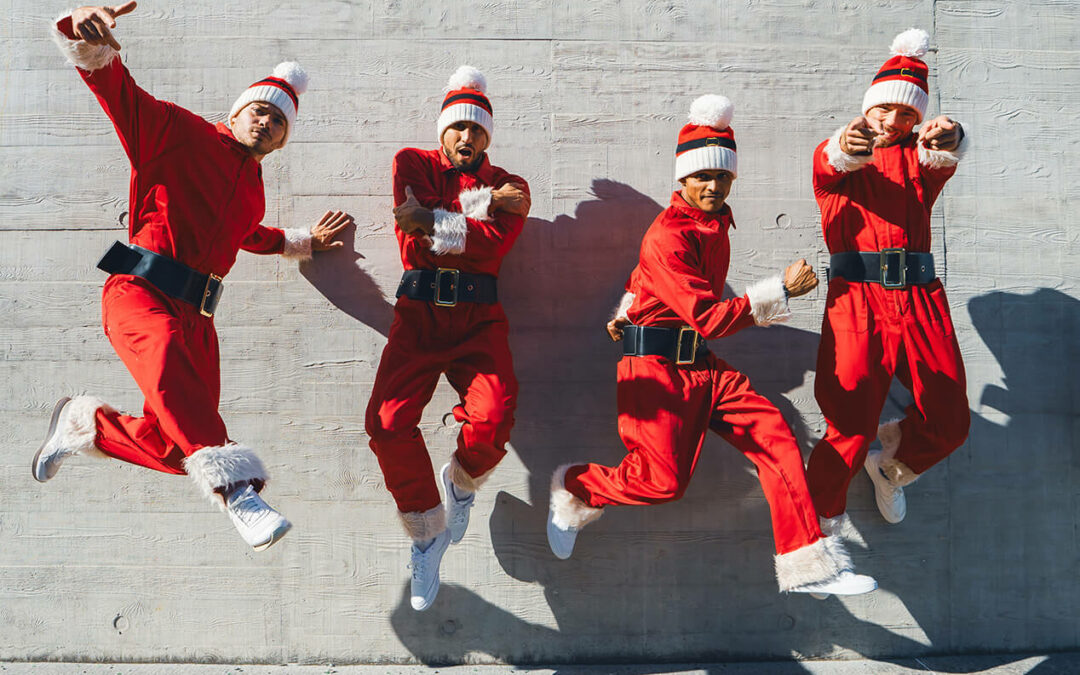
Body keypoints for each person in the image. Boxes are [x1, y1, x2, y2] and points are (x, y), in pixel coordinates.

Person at [35, 2, 352, 551]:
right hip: (140, 292)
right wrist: (85, 36)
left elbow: (248, 233)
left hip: (199, 320)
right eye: (258, 110)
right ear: (235, 114)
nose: (266, 121)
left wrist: (300, 242)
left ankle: (83, 424)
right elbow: (118, 94)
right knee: (162, 358)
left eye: (277, 121)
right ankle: (239, 493)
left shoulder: (253, 189)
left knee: (171, 444)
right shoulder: (177, 132)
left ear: (281, 141)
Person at [546, 95, 876, 597]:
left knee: (776, 437)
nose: (713, 186)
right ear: (682, 178)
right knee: (660, 484)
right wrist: (781, 291)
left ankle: (809, 565)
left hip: (701, 366)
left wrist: (627, 307)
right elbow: (706, 315)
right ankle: (576, 488)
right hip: (655, 373)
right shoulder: (669, 235)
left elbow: (649, 277)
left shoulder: (716, 223)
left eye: (722, 176)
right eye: (702, 176)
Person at [365, 66, 531, 611]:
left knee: (494, 416)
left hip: (478, 319)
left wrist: (436, 219)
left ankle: (461, 480)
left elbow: (488, 250)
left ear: (489, 136)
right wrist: (482, 204)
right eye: (458, 127)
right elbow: (412, 228)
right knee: (387, 424)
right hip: (417, 314)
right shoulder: (411, 163)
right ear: (443, 131)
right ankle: (427, 531)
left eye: (477, 130)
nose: (467, 137)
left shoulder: (517, 186)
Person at [804, 29, 970, 533]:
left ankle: (891, 468)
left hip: (921, 300)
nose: (894, 121)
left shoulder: (921, 160)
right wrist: (847, 142)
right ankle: (819, 532)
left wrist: (952, 132)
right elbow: (832, 158)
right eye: (885, 110)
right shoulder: (840, 161)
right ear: (868, 108)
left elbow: (947, 149)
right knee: (849, 426)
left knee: (949, 422)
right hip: (858, 302)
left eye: (907, 115)